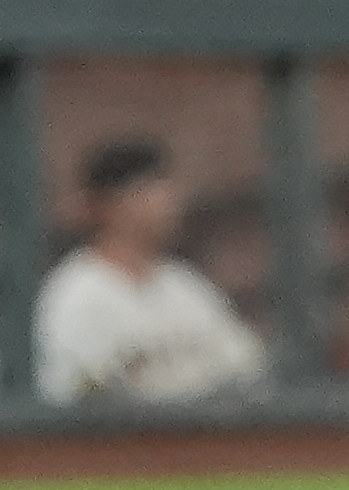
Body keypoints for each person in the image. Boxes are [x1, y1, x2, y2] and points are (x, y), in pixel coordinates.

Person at [32, 137, 268, 405]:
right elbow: (69, 395)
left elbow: (246, 370)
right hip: (119, 443)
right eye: (146, 192)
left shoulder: (185, 285)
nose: (166, 203)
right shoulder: (75, 292)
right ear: (105, 205)